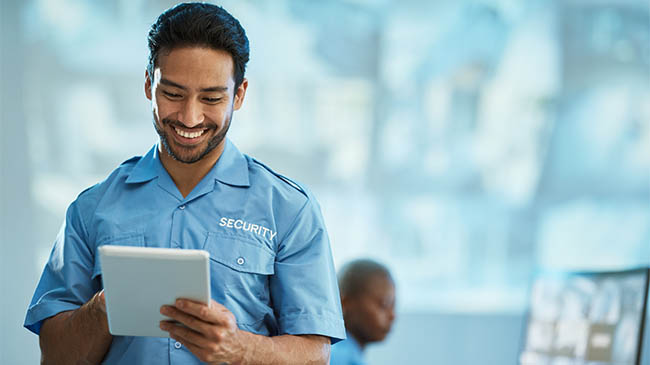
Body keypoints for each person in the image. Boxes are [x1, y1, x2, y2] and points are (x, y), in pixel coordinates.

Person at [23, 3, 345, 364]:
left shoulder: (289, 209)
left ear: (239, 95)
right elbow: (55, 356)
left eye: (211, 98)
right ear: (148, 84)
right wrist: (105, 306)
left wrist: (240, 349)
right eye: (173, 94)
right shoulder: (90, 209)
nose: (190, 117)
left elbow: (315, 355)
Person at [331, 259, 396, 365]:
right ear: (344, 303)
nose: (392, 315)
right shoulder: (339, 357)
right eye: (384, 304)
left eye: (393, 305)